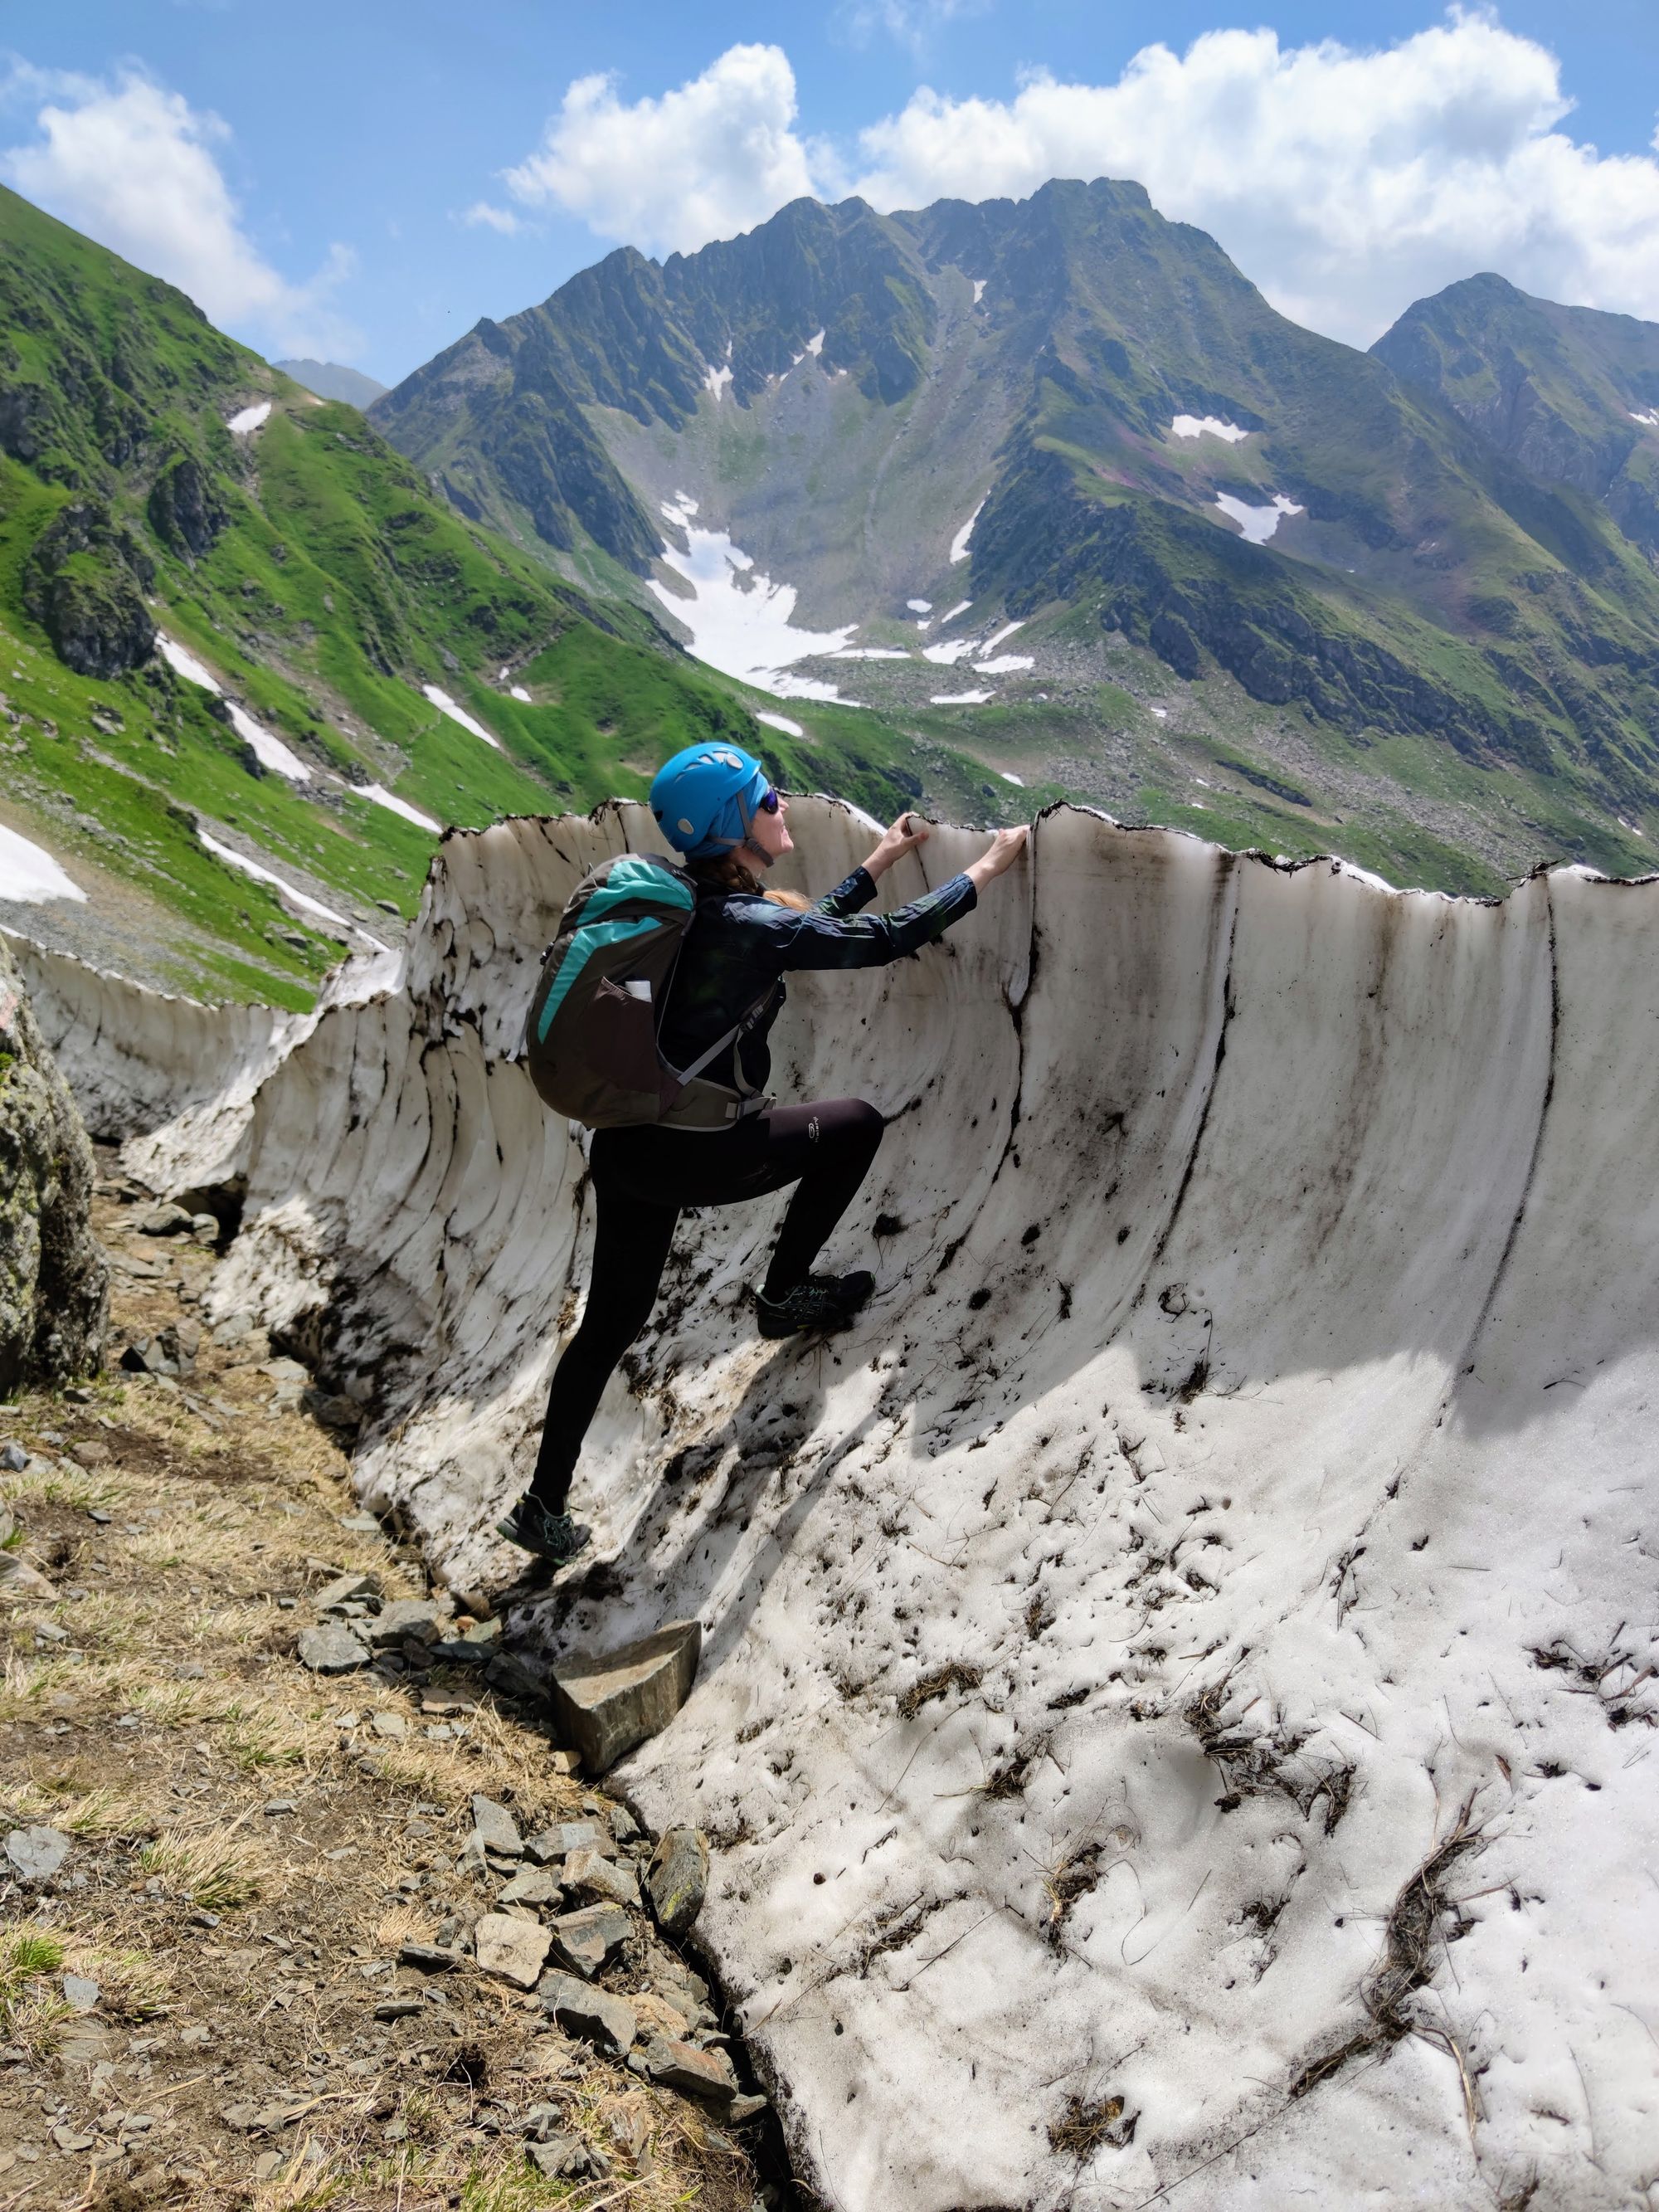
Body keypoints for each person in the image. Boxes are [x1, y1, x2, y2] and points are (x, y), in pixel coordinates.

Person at [498, 743, 1029, 1564]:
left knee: (608, 1324)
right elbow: (876, 941)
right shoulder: (745, 922)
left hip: (628, 1148)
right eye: (764, 797)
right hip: (704, 1153)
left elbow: (797, 930)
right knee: (853, 1124)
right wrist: (985, 870)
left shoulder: (692, 906)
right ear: (732, 825)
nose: (778, 803)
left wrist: (879, 859)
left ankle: (542, 1505)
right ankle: (783, 1295)